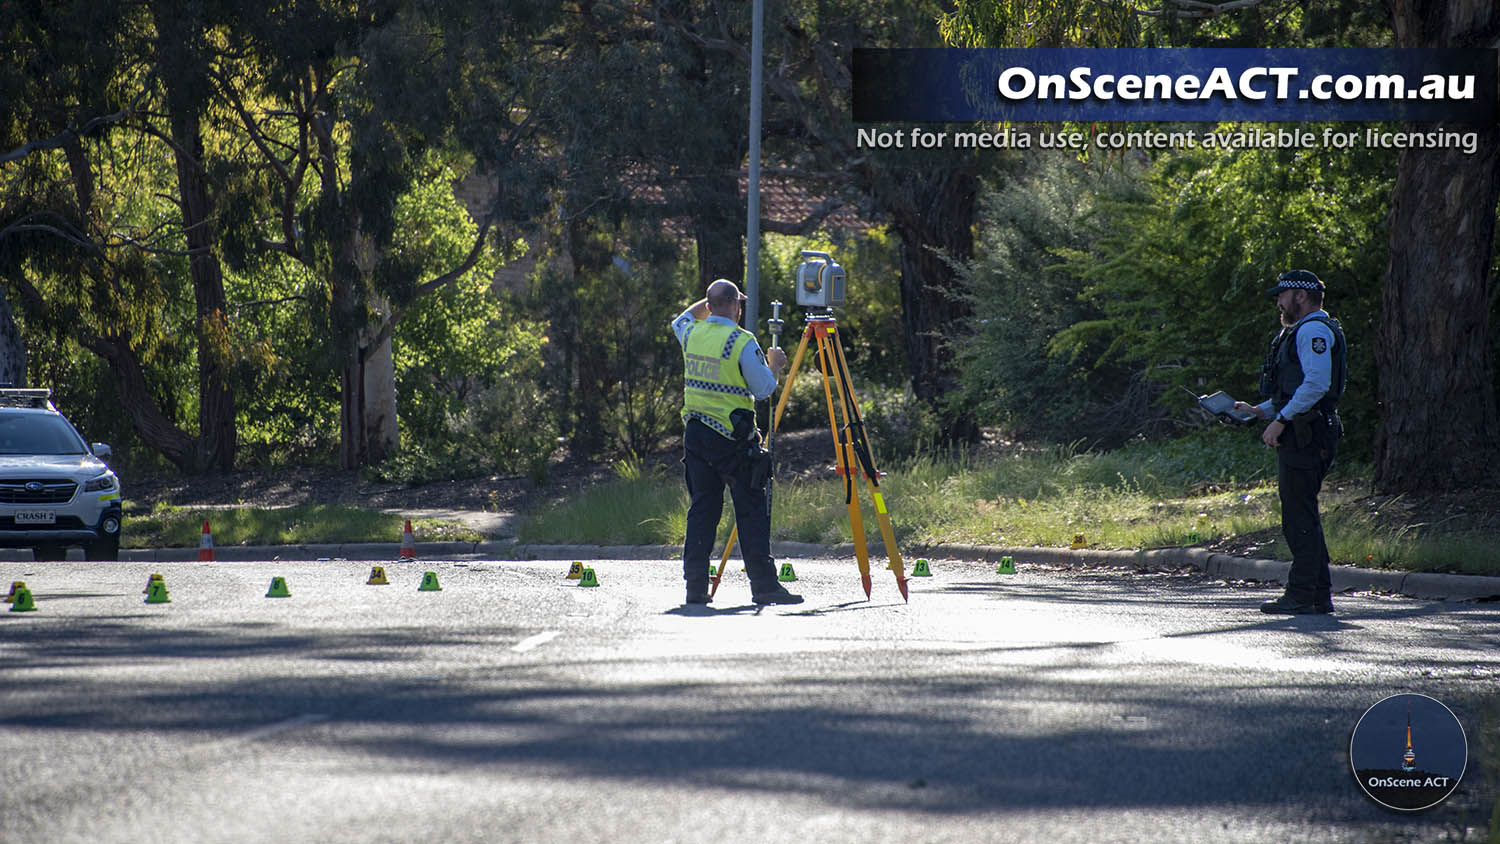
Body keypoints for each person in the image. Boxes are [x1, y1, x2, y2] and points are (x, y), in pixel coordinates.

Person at [670, 278, 801, 606]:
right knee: (751, 511)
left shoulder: (692, 332)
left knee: (702, 509)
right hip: (732, 439)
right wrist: (775, 365)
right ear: (738, 309)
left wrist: (709, 300)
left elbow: (680, 319)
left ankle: (696, 588)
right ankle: (764, 586)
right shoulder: (741, 341)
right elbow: (764, 390)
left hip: (696, 436)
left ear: (709, 306)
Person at [1234, 269, 1347, 615]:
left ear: (1300, 295)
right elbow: (1296, 389)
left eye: (1282, 296)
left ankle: (1301, 595)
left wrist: (1280, 422)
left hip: (1307, 435)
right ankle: (1317, 595)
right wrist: (1259, 411)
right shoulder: (1304, 330)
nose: (1279, 303)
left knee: (1298, 517)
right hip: (1307, 431)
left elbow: (1315, 385)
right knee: (1304, 515)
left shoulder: (1312, 329)